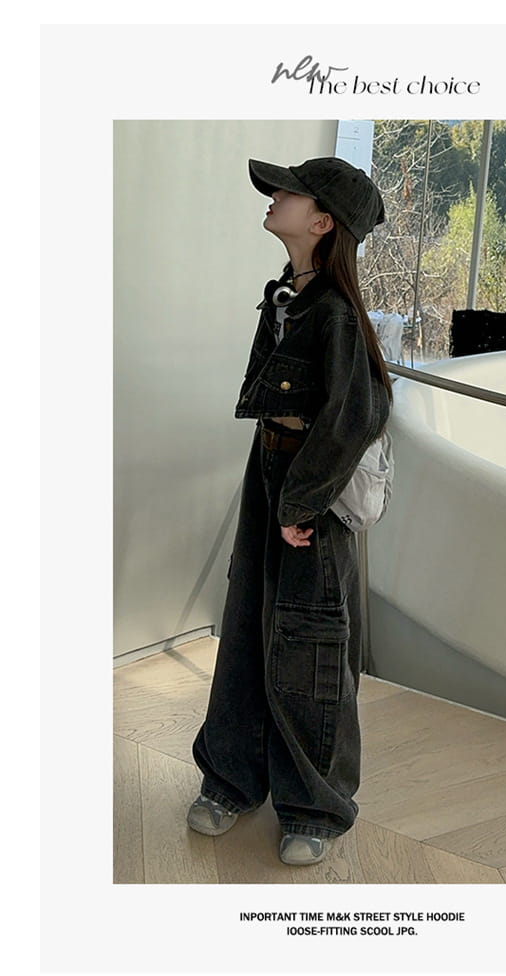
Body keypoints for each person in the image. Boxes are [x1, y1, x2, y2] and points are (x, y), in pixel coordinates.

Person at [188, 156, 393, 866]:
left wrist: (300, 501)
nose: (275, 197)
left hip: (311, 488)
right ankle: (231, 778)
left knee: (309, 641)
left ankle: (314, 806)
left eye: (291, 192)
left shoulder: (335, 312)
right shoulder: (286, 295)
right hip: (269, 471)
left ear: (323, 222)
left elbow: (357, 414)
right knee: (248, 620)